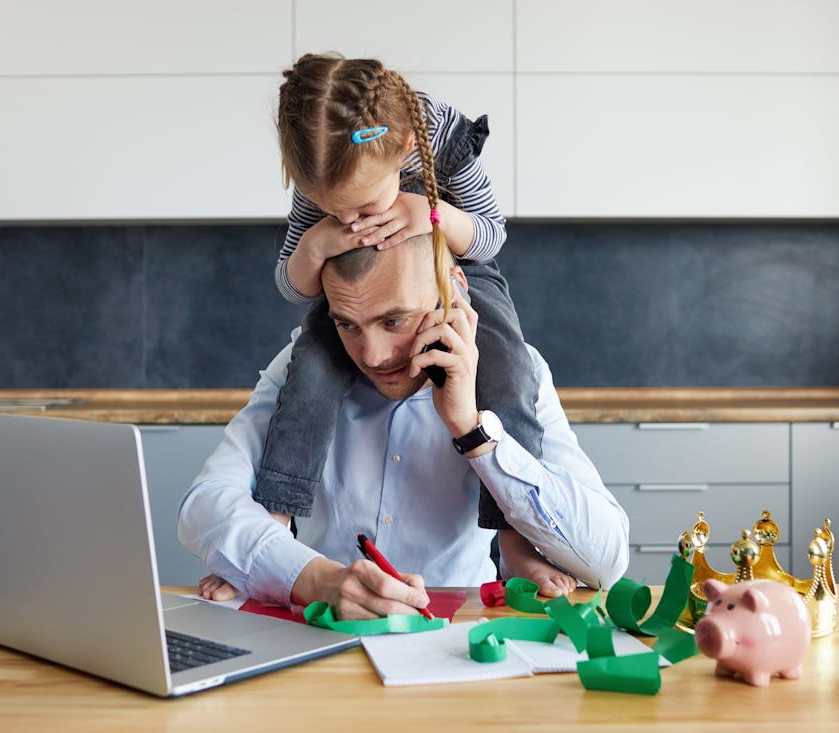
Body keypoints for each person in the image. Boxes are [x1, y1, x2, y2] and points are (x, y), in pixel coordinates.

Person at [178, 234, 630, 619]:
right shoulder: (302, 371)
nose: (372, 354)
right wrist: (315, 580)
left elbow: (607, 559)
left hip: (462, 649)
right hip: (322, 645)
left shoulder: (517, 372)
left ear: (451, 289)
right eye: (347, 324)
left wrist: (474, 432)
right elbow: (205, 507)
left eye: (393, 320)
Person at [255, 53, 546, 576]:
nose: (349, 220)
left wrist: (430, 215)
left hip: (454, 267)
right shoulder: (321, 163)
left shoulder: (438, 137)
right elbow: (292, 287)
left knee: (507, 369)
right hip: (357, 292)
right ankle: (274, 520)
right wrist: (318, 244)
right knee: (311, 372)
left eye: (362, 208)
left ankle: (517, 539)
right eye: (333, 210)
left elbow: (490, 234)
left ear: (405, 149)